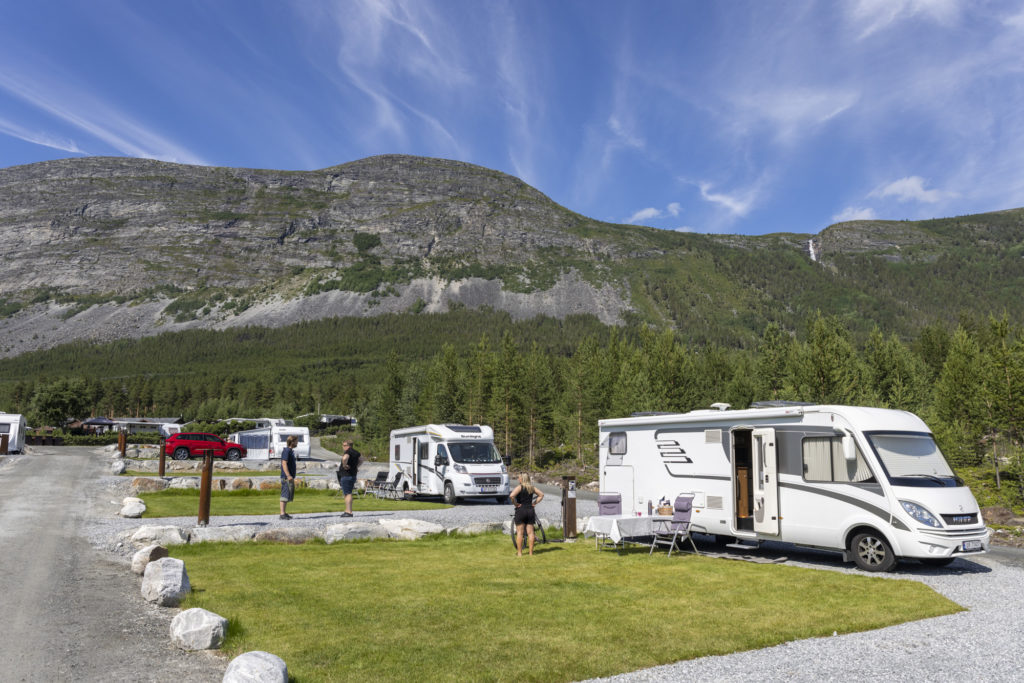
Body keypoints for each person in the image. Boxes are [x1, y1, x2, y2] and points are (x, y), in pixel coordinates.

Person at [509, 473, 544, 556]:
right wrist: (534, 503)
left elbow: (511, 496)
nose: (518, 479)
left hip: (521, 510)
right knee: (531, 533)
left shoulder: (520, 487)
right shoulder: (531, 488)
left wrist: (516, 504)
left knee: (520, 533)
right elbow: (541, 495)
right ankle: (531, 553)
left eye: (519, 478)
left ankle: (520, 553)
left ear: (522, 479)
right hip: (530, 510)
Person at [337, 439, 361, 517]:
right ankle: (348, 510)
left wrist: (344, 465)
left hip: (346, 475)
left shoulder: (348, 451)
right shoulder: (356, 452)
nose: (343, 447)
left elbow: (344, 458)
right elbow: (362, 460)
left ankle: (348, 511)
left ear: (348, 445)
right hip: (353, 475)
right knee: (348, 492)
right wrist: (356, 466)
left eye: (344, 445)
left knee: (347, 493)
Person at [279, 435, 298, 520]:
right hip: (286, 477)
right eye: (296, 441)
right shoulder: (286, 451)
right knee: (284, 494)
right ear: (292, 442)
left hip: (289, 477)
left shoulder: (290, 451)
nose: (297, 443)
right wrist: (288, 475)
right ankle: (282, 514)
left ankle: (284, 513)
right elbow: (284, 463)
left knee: (287, 495)